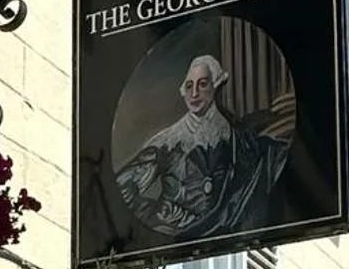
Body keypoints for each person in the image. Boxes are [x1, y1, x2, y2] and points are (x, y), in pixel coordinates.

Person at [115, 52, 294, 245]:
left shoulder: (237, 136)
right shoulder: (169, 141)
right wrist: (160, 216)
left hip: (224, 236)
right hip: (181, 238)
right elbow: (124, 187)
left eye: (202, 84)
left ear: (215, 85)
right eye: (189, 86)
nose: (194, 94)